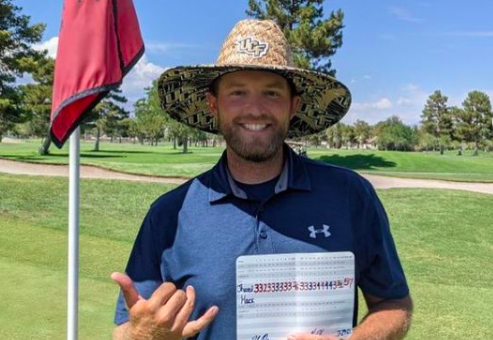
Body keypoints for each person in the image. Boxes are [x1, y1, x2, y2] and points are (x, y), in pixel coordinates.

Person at [111, 19, 413, 340]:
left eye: (271, 93)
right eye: (238, 92)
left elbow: (394, 302)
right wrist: (142, 335)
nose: (255, 110)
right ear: (215, 104)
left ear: (293, 106)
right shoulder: (170, 213)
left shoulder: (350, 194)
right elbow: (127, 330)